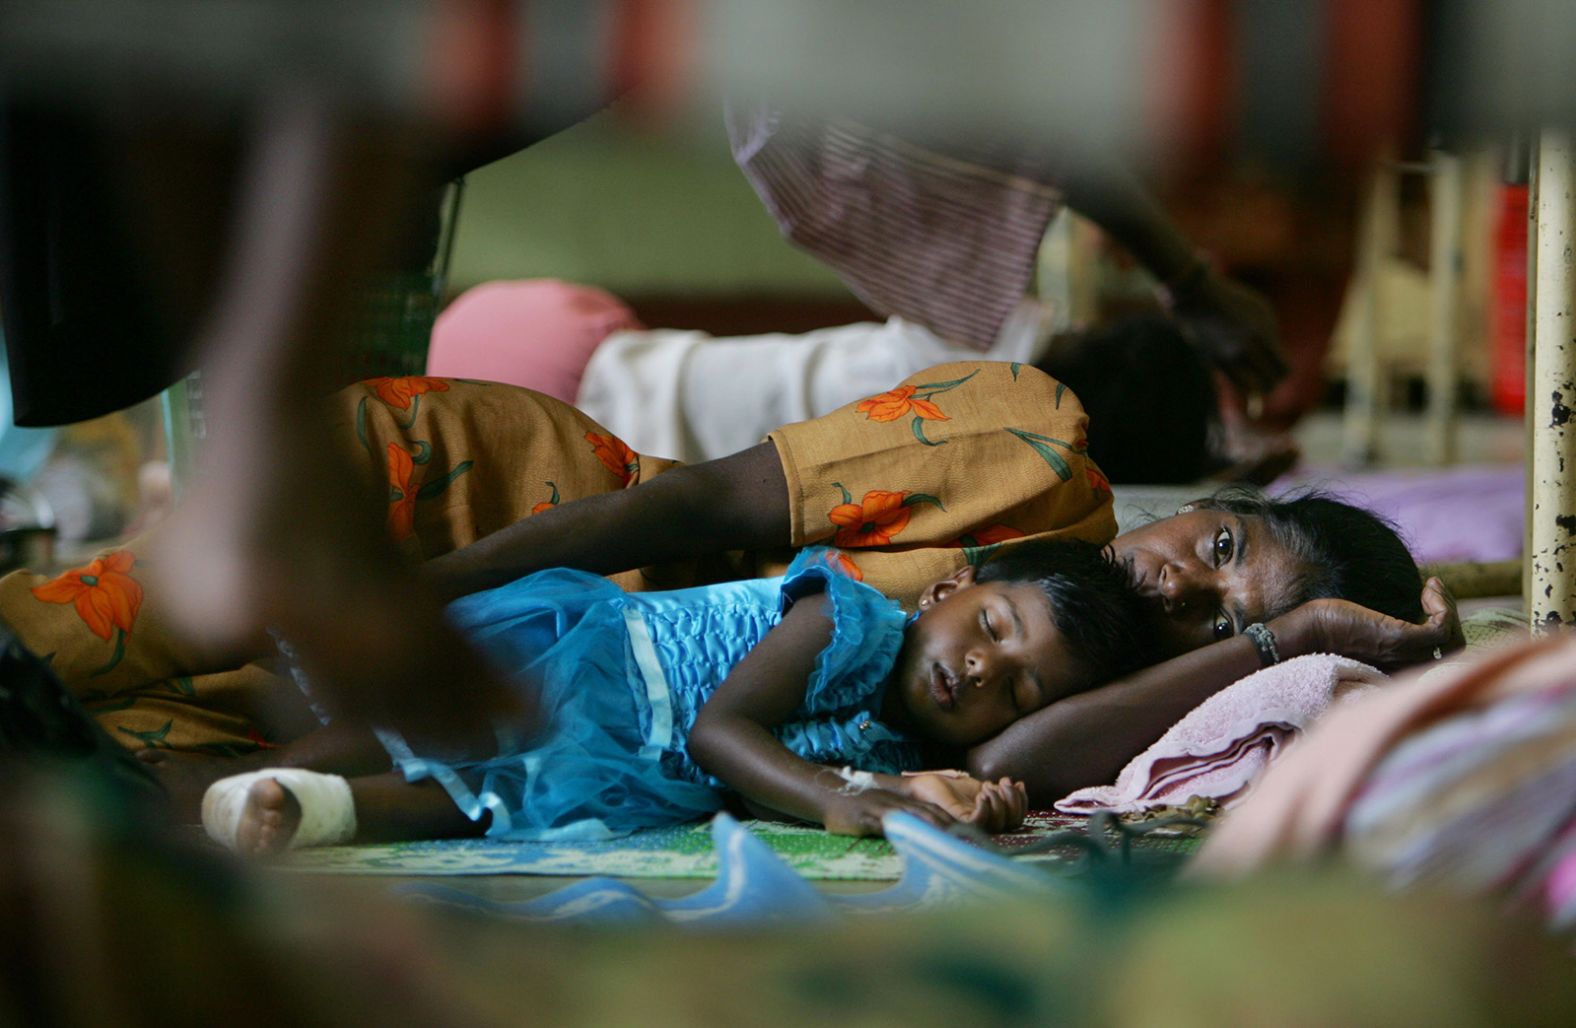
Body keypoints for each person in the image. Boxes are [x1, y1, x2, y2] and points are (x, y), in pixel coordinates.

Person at [0, 360, 1460, 816]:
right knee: (85, 636)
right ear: (1217, 500)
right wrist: (408, 601)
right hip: (514, 526)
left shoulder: (1095, 704)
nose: (1177, 592)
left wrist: (1314, 637)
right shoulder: (1031, 446)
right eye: (1218, 553)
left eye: (1229, 624)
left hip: (543, 725)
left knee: (96, 787)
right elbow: (698, 502)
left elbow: (999, 760)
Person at [200, 539, 1155, 852]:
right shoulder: (849, 621)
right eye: (993, 631)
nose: (986, 671)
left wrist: (930, 795)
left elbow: (758, 788)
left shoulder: (905, 743)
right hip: (599, 666)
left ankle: (299, 813)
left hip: (628, 766)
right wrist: (843, 800)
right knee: (426, 728)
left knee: (484, 804)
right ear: (950, 591)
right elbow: (723, 730)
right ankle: (256, 771)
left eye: (1019, 687)